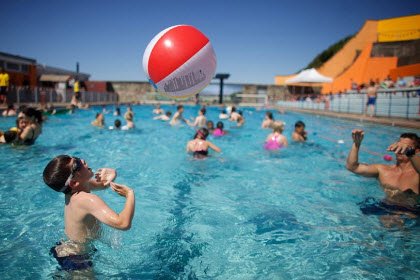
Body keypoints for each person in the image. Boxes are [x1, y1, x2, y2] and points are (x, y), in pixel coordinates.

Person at [43, 155, 135, 271]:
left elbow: (102, 185)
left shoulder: (74, 191)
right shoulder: (87, 200)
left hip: (64, 249)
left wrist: (112, 174)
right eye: (77, 164)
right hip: (77, 260)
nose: (82, 160)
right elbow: (123, 224)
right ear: (74, 182)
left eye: (76, 158)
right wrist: (130, 194)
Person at [346, 130, 419, 224]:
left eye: (406, 146)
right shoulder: (383, 170)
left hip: (410, 213)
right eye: (399, 145)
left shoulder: (417, 174)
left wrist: (410, 152)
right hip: (383, 208)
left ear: (417, 151)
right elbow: (352, 167)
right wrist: (356, 144)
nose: (401, 149)